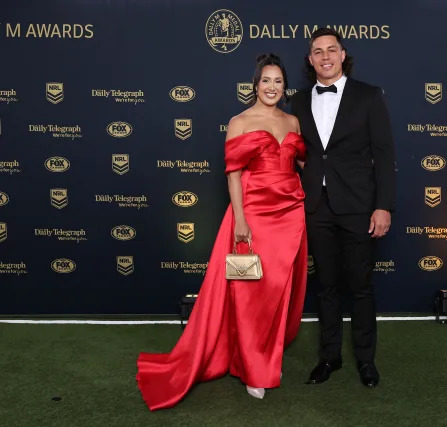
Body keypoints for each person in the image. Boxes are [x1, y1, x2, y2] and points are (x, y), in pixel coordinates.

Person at [136, 54, 307, 409]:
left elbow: (302, 164)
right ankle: (253, 368)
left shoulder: (293, 120)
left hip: (291, 214)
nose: (272, 87)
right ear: (255, 85)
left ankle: (265, 355)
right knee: (251, 294)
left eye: (278, 81)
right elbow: (233, 175)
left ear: (284, 87)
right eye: (265, 81)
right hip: (255, 214)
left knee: (278, 292)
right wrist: (241, 220)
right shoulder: (240, 121)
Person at [290, 28, 396, 388]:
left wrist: (383, 206)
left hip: (357, 206)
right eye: (317, 51)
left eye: (331, 50)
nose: (324, 56)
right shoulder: (300, 101)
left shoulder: (368, 95)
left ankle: (366, 360)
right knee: (328, 287)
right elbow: (299, 151)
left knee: (361, 286)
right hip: (317, 207)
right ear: (310, 60)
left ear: (342, 53)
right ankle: (329, 357)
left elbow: (383, 155)